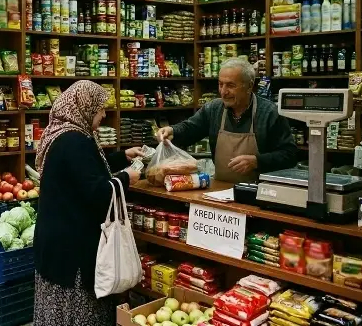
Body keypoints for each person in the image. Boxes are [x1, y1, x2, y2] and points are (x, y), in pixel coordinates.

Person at [33, 80, 144, 326]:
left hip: (55, 241)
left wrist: (122, 157)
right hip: (71, 247)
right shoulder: (76, 141)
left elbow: (85, 171)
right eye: (100, 108)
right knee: (77, 312)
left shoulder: (64, 134)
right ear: (85, 107)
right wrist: (127, 178)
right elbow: (97, 192)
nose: (104, 114)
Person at [156, 58, 297, 183]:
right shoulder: (214, 109)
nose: (223, 91)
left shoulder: (269, 113)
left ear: (249, 86)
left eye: (230, 85)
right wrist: (173, 131)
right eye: (220, 84)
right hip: (220, 189)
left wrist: (257, 162)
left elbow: (289, 155)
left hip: (258, 192)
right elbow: (191, 128)